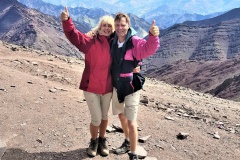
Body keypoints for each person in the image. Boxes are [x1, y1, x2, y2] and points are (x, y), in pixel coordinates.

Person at [60, 7, 114, 157]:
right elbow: (74, 36)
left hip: (108, 88)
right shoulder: (89, 41)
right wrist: (67, 21)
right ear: (99, 27)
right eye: (104, 25)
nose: (107, 28)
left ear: (113, 29)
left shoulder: (116, 45)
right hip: (91, 86)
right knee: (96, 117)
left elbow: (131, 49)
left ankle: (103, 140)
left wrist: (138, 65)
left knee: (104, 116)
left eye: (110, 26)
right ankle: (94, 141)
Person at [110, 12, 160, 160]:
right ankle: (127, 141)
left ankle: (133, 154)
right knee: (120, 115)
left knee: (131, 121)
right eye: (117, 25)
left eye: (123, 25)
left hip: (131, 86)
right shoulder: (112, 40)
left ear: (128, 26)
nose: (120, 28)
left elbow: (149, 49)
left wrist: (153, 36)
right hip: (117, 85)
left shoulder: (135, 41)